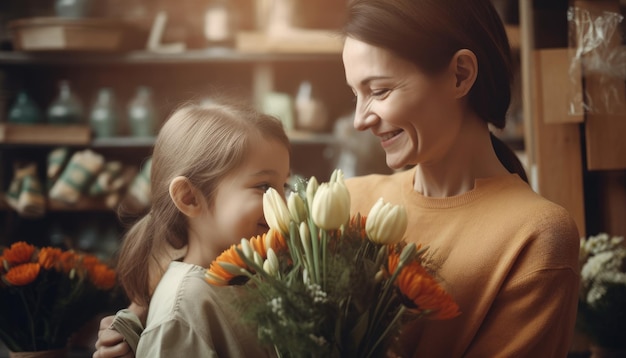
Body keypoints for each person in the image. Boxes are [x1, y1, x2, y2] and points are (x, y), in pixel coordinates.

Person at [341, 0, 580, 357]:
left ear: (461, 75)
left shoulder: (535, 235)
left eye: (379, 91)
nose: (360, 120)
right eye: (355, 94)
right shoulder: (346, 204)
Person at [93, 100, 290, 357]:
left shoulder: (255, 277)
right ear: (189, 198)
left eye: (284, 186)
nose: (282, 204)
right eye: (264, 186)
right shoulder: (184, 309)